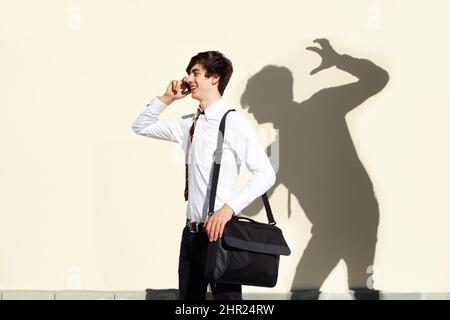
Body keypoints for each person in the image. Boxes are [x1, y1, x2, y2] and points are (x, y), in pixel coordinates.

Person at [131, 51, 276, 300]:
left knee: (228, 304)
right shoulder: (188, 123)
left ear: (215, 78)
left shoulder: (234, 123)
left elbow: (265, 174)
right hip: (191, 235)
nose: (189, 78)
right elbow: (140, 126)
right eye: (190, 73)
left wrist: (227, 210)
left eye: (196, 73)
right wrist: (167, 98)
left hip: (222, 234)